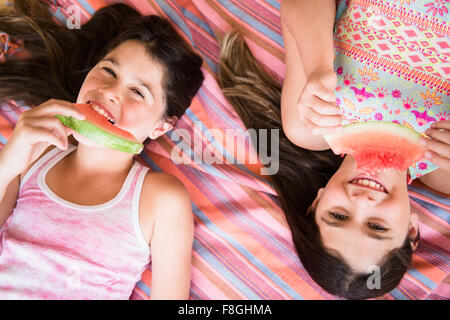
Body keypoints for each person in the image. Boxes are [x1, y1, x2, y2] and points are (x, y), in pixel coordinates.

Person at [218, 0, 448, 299]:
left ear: (317, 203)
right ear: (413, 231)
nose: (362, 202)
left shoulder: (309, 127)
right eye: (377, 226)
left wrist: (318, 67)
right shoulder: (444, 170)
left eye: (338, 216)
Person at [0, 0, 204, 299]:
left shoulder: (161, 199)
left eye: (137, 91)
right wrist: (8, 161)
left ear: (161, 127)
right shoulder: (37, 150)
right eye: (108, 70)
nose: (108, 92)